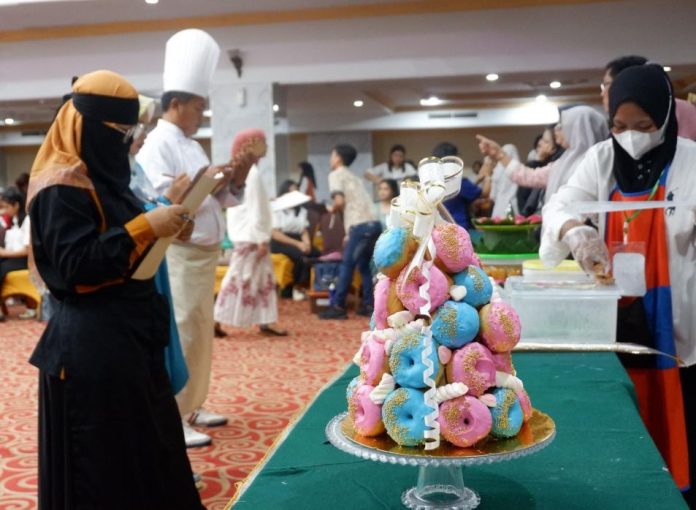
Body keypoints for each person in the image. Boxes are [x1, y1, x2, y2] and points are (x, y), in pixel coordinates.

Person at [27, 70, 203, 510]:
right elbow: (76, 265)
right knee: (103, 471)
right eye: (120, 133)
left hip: (129, 338)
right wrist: (146, 226)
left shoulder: (108, 176)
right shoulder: (60, 185)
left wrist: (166, 229)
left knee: (151, 452)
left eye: (131, 133)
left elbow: (127, 235)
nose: (127, 143)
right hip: (90, 349)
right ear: (88, 127)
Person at [540, 64, 696, 505]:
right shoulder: (602, 158)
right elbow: (559, 204)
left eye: (644, 126)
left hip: (679, 312)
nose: (631, 136)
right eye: (619, 126)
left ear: (665, 117)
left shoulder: (690, 160)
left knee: (680, 415)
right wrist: (575, 229)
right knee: (626, 414)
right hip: (617, 309)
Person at [136, 28, 250, 447]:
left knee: (200, 330)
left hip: (201, 253)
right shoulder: (155, 145)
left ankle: (194, 404)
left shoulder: (189, 143)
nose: (201, 115)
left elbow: (218, 197)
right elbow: (156, 199)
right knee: (181, 332)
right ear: (175, 103)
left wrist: (230, 175)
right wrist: (194, 185)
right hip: (178, 253)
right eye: (198, 107)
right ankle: (174, 413)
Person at [215, 130, 287, 336]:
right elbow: (255, 209)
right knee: (239, 279)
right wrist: (262, 239)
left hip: (250, 236)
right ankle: (216, 320)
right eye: (262, 142)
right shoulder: (251, 174)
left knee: (262, 281)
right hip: (251, 238)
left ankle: (266, 321)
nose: (265, 146)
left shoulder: (248, 172)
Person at [476, 105, 608, 200]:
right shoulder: (563, 162)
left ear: (578, 130)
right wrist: (499, 154)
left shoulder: (598, 164)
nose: (557, 130)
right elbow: (529, 176)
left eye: (562, 126)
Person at [320, 144, 382, 320]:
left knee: (347, 264)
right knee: (363, 265)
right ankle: (369, 304)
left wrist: (331, 209)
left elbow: (339, 201)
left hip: (359, 226)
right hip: (373, 224)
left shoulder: (335, 175)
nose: (331, 159)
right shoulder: (354, 178)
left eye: (332, 155)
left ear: (338, 158)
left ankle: (338, 305)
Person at [270, 179, 320, 300]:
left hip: (297, 238)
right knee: (299, 255)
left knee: (315, 253)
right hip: (280, 240)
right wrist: (298, 244)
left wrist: (307, 243)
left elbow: (303, 231)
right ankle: (292, 288)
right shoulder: (276, 208)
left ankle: (307, 286)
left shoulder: (301, 210)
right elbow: (275, 234)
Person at [434, 142, 492, 229]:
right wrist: (488, 175)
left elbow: (461, 191)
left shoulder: (434, 181)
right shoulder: (457, 181)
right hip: (458, 227)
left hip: (439, 228)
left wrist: (478, 180)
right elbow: (484, 193)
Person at [0, 187, 30, 322]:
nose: (5, 211)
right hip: (12, 258)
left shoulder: (27, 220)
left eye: (7, 207)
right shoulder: (13, 221)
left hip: (24, 260)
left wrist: (4, 253)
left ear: (16, 205)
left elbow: (27, 250)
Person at [490, 143, 520, 217]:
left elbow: (492, 196)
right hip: (514, 207)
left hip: (499, 208)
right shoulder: (520, 170)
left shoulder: (496, 171)